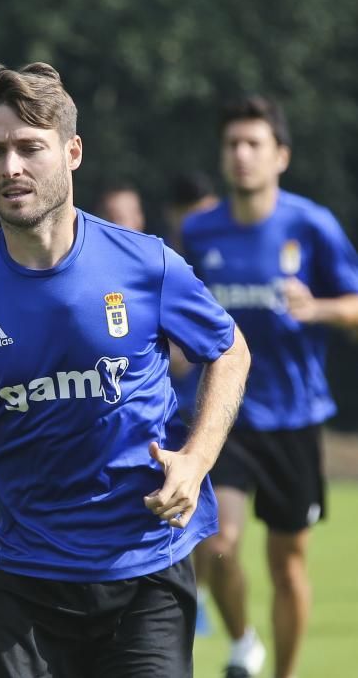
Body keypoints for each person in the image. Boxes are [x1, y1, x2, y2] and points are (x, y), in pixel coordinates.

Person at [0, 62, 251, 678]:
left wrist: (196, 461)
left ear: (72, 151)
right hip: (20, 586)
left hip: (145, 569)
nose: (11, 167)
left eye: (29, 148)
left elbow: (229, 350)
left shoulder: (147, 265)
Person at [182, 96, 358, 678]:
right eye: (232, 143)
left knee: (287, 565)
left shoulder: (311, 225)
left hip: (296, 417)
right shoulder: (200, 230)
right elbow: (178, 312)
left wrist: (321, 308)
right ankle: (243, 642)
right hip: (224, 416)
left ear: (280, 155)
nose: (241, 154)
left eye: (254, 143)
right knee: (217, 541)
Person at [162, 170, 222, 637]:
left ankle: (194, 593)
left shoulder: (224, 258)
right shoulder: (166, 262)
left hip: (222, 408)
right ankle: (191, 594)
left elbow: (229, 344)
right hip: (176, 411)